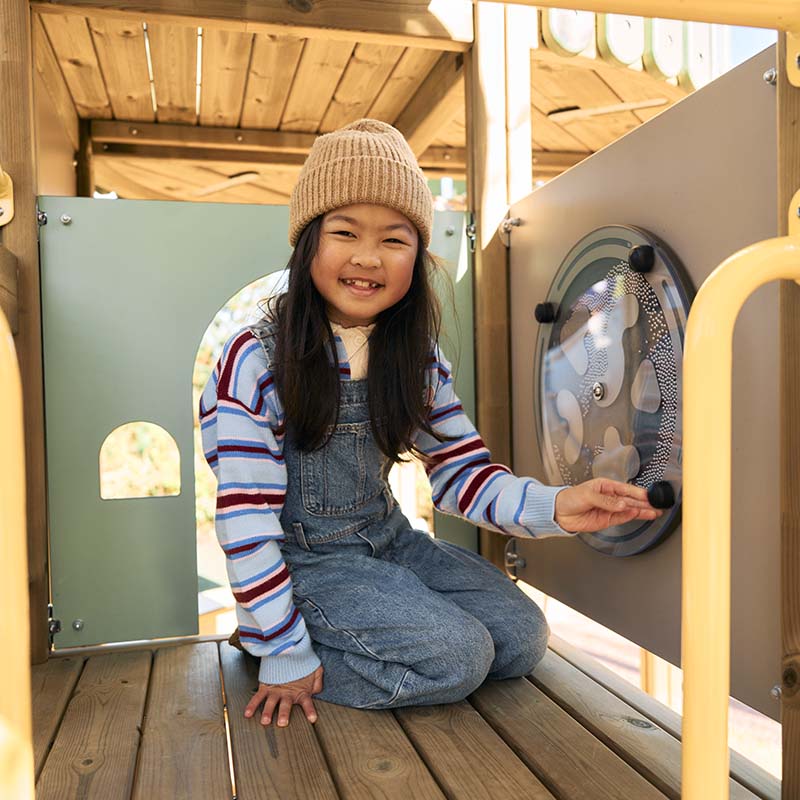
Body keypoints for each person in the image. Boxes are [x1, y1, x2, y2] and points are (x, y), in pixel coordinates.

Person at [199, 119, 660, 730]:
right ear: (307, 242)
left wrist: (558, 505)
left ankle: (307, 627)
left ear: (416, 256)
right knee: (457, 657)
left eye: (395, 239)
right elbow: (246, 520)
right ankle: (270, 638)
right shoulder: (255, 359)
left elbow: (462, 472)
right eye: (344, 232)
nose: (368, 257)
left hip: (387, 540)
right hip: (299, 559)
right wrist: (285, 650)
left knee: (521, 637)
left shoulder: (413, 357)